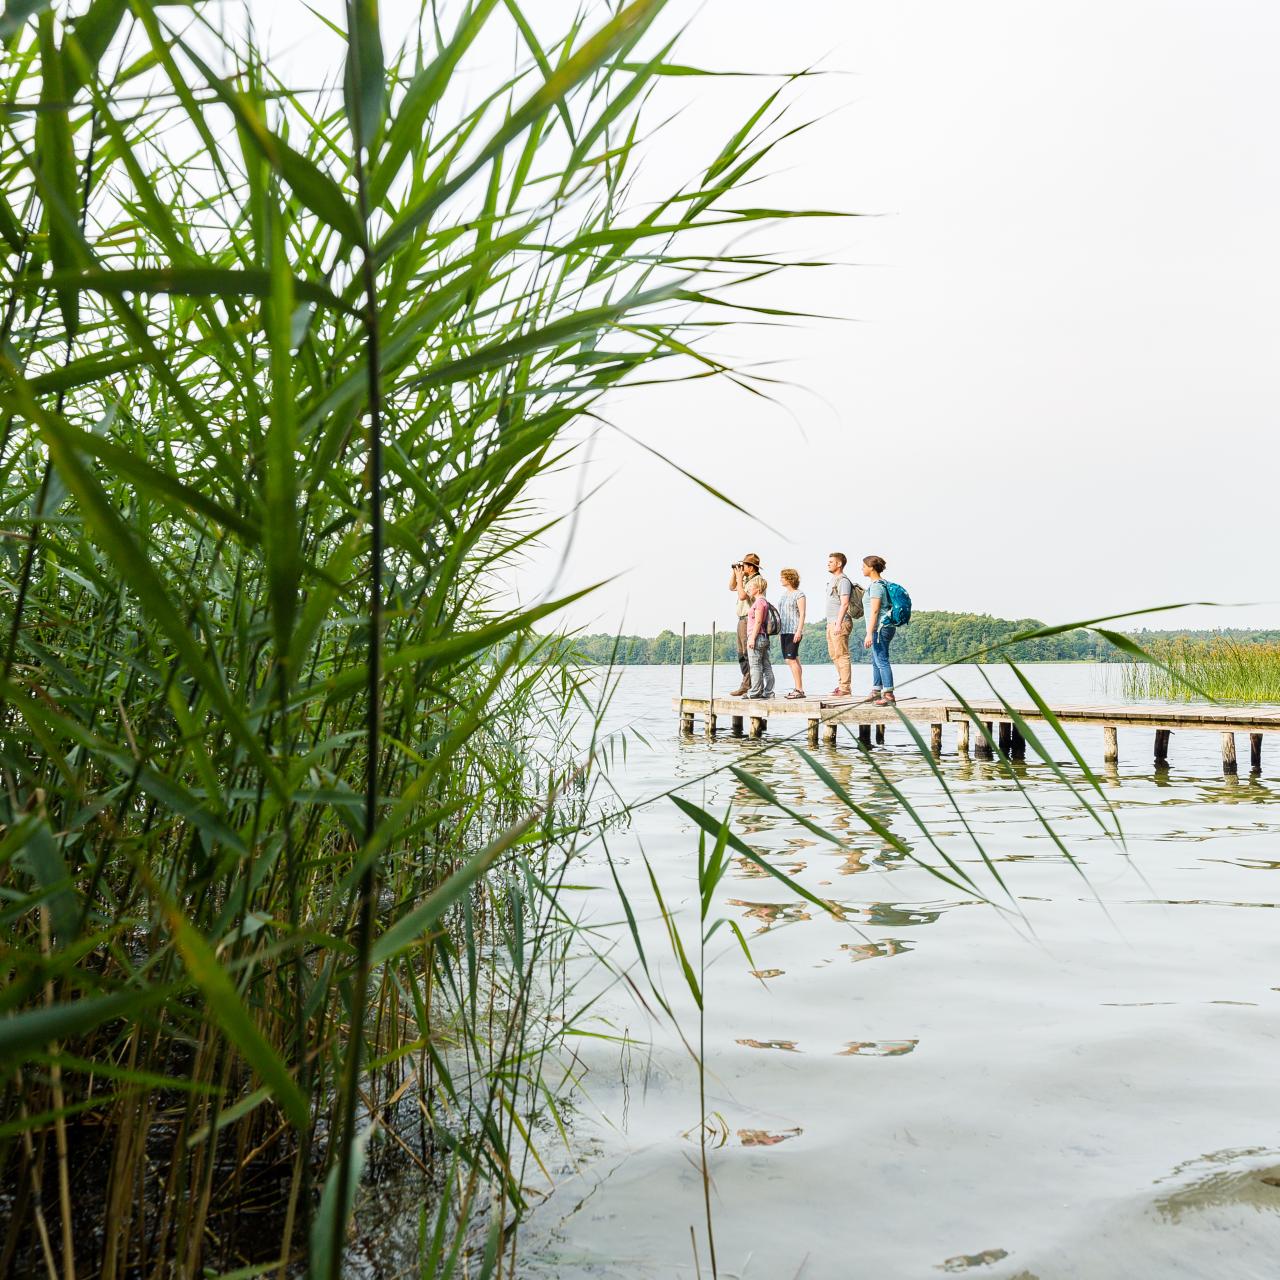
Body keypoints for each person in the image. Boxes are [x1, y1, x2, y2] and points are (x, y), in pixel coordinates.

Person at [728, 553, 763, 696]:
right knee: (741, 652)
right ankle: (747, 682)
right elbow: (731, 587)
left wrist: (739, 578)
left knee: (747, 653)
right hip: (741, 618)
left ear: (751, 567)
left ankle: (747, 685)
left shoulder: (757, 581)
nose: (742, 567)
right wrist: (735, 573)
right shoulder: (746, 579)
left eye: (744, 565)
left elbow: (742, 596)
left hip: (750, 619)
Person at [862, 555, 895, 705]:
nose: (862, 568)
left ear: (871, 568)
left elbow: (875, 611)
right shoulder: (884, 584)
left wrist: (869, 633)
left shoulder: (876, 586)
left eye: (864, 566)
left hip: (880, 628)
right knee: (876, 659)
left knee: (881, 660)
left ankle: (888, 695)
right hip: (884, 627)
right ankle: (876, 691)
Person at [825, 552, 857, 697]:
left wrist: (838, 623)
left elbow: (844, 604)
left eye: (831, 562)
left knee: (842, 655)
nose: (828, 564)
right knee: (834, 655)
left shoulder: (843, 581)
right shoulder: (832, 580)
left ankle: (845, 688)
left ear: (839, 564)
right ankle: (841, 686)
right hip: (831, 623)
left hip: (840, 622)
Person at [744, 575, 775, 699]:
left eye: (751, 587)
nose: (748, 589)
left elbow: (758, 621)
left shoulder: (759, 602)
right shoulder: (764, 601)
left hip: (757, 637)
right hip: (763, 637)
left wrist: (752, 638)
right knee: (766, 665)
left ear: (757, 588)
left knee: (755, 665)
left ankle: (755, 692)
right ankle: (768, 692)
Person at [777, 568, 807, 698]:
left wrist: (798, 631)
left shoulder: (799, 594)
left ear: (789, 578)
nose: (780, 579)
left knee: (791, 660)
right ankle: (798, 688)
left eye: (782, 577)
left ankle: (799, 689)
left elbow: (802, 614)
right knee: (792, 660)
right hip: (784, 631)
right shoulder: (783, 595)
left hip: (793, 630)